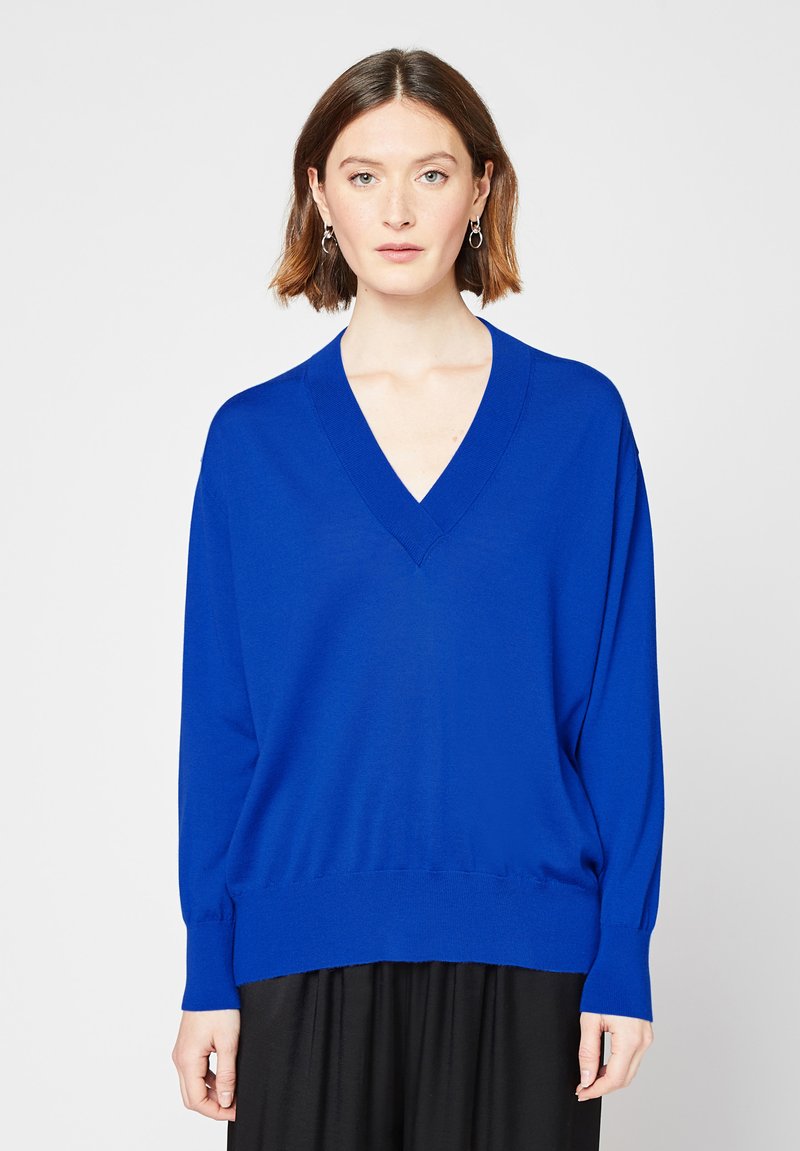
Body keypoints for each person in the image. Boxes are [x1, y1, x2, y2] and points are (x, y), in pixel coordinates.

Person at [171, 46, 665, 1151]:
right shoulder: (251, 442)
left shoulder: (579, 424)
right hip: (298, 959)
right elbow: (223, 725)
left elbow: (616, 710)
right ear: (319, 193)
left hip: (531, 958)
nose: (395, 209)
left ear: (481, 189)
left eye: (431, 174)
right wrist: (209, 964)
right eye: (363, 175)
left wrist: (621, 956)